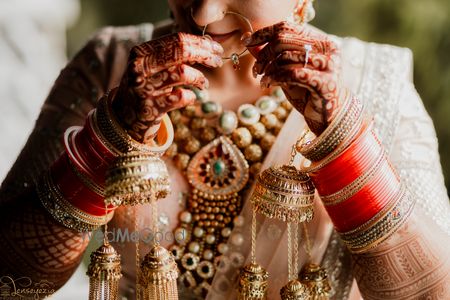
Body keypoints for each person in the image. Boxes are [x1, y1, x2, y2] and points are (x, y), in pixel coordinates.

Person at [1, 0, 449, 299]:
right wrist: (109, 137)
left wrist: (344, 139)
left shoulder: (377, 83)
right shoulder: (112, 66)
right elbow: (11, 281)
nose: (202, 13)